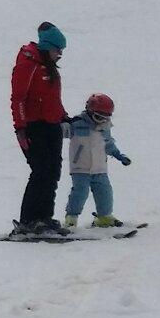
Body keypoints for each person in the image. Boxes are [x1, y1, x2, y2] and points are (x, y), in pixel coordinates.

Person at [9, 22, 69, 237]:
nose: (60, 54)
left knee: (53, 172)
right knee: (40, 172)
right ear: (46, 47)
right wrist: (21, 128)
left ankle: (44, 218)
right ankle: (29, 220)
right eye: (57, 50)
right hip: (35, 126)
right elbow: (18, 99)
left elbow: (53, 98)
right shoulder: (28, 63)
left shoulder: (48, 66)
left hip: (52, 126)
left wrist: (63, 117)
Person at [64, 93, 131, 228]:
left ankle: (104, 216)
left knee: (105, 192)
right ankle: (71, 217)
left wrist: (119, 156)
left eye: (105, 118)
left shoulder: (105, 129)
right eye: (98, 117)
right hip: (80, 168)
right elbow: (62, 131)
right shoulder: (77, 124)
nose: (101, 121)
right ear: (90, 111)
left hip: (100, 168)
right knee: (80, 192)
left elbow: (109, 144)